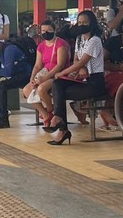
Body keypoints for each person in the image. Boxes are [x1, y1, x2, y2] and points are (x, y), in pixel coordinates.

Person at [46, 10, 108, 145]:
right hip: (82, 80)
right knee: (57, 84)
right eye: (79, 22)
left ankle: (61, 127)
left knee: (59, 93)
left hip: (94, 83)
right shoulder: (80, 39)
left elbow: (82, 61)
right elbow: (76, 60)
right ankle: (59, 120)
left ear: (92, 23)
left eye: (85, 22)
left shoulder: (95, 40)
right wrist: (81, 68)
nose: (81, 25)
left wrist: (62, 73)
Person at [23, 19, 70, 127]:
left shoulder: (61, 44)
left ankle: (50, 109)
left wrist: (44, 79)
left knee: (41, 89)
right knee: (27, 90)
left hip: (58, 75)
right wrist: (32, 78)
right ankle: (45, 114)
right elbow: (37, 65)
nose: (46, 33)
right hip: (45, 72)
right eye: (43, 31)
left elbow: (60, 65)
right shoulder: (41, 46)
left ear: (54, 30)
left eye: (49, 30)